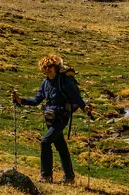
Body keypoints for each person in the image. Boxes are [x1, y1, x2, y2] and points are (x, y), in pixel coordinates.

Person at [12, 55, 93, 184]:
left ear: (56, 67)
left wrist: (85, 109)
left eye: (49, 67)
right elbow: (36, 100)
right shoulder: (45, 83)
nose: (46, 69)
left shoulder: (64, 81)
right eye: (44, 67)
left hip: (61, 118)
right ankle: (69, 177)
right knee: (61, 146)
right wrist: (21, 101)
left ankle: (46, 176)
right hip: (50, 118)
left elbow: (77, 98)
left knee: (45, 142)